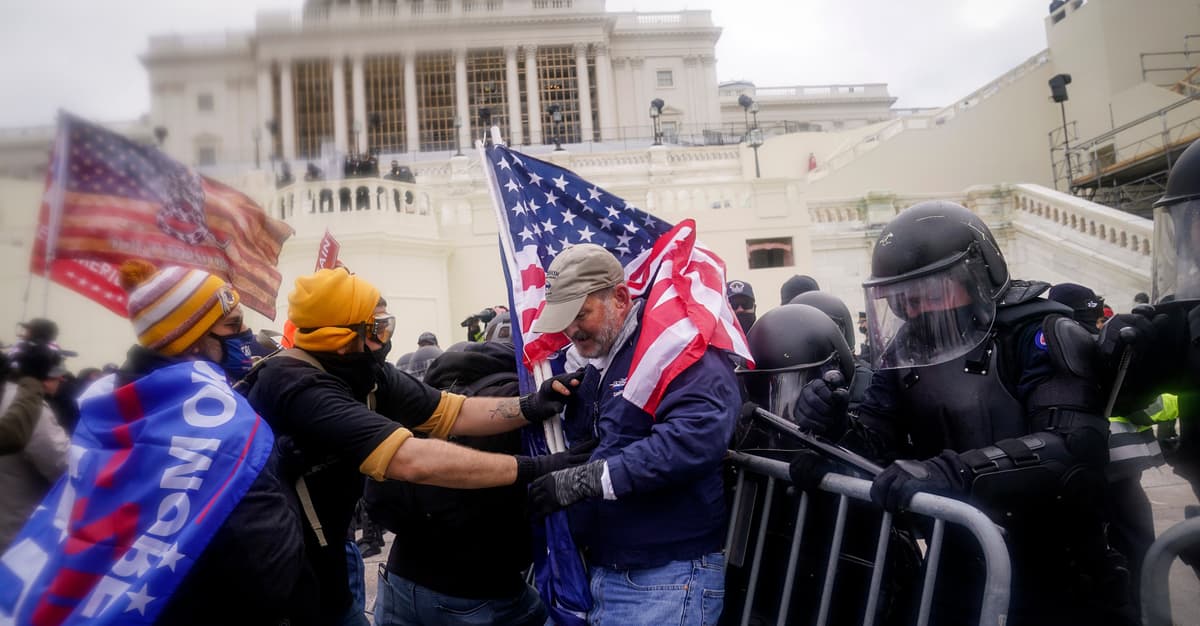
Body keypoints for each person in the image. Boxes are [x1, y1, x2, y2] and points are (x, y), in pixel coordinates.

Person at [787, 201, 1131, 625]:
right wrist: (836, 429)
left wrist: (957, 473)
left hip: (1060, 570)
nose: (918, 310)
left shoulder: (1039, 334)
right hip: (957, 562)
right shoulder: (906, 352)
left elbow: (1074, 448)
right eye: (905, 300)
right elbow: (879, 442)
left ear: (980, 274)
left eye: (932, 293)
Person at [239, 267, 589, 625]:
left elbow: (451, 412)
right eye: (379, 329)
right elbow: (410, 459)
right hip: (281, 578)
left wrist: (530, 405)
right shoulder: (296, 385)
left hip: (330, 567)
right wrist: (536, 467)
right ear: (340, 338)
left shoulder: (366, 373)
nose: (387, 339)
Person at [0, 259, 315, 625]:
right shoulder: (225, 424)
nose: (246, 334)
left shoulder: (111, 407)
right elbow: (272, 572)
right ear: (190, 341)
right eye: (232, 325)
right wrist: (274, 469)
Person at [525, 244, 738, 626]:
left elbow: (696, 436)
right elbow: (608, 436)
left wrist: (587, 480)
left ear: (621, 298)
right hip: (610, 569)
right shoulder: (606, 357)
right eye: (564, 318)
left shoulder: (675, 345)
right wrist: (558, 402)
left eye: (580, 314)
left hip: (665, 575)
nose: (571, 329)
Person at [366, 339, 546, 626]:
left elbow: (377, 501)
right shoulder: (516, 400)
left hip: (400, 579)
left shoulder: (417, 398)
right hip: (477, 590)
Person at [0, 342, 69, 553]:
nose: (62, 378)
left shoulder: (7, 395)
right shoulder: (28, 407)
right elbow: (62, 464)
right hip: (19, 530)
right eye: (56, 372)